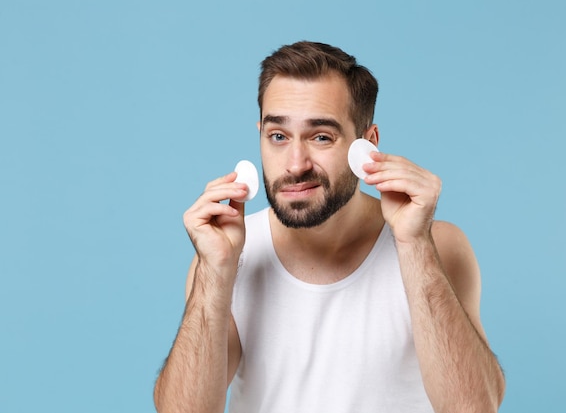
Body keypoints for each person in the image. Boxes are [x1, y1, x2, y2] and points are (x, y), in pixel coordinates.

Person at [153, 41, 506, 413]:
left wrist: (415, 245)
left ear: (367, 145)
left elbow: (475, 408)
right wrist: (214, 272)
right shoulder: (228, 255)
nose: (295, 163)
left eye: (321, 136)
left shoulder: (437, 245)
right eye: (278, 136)